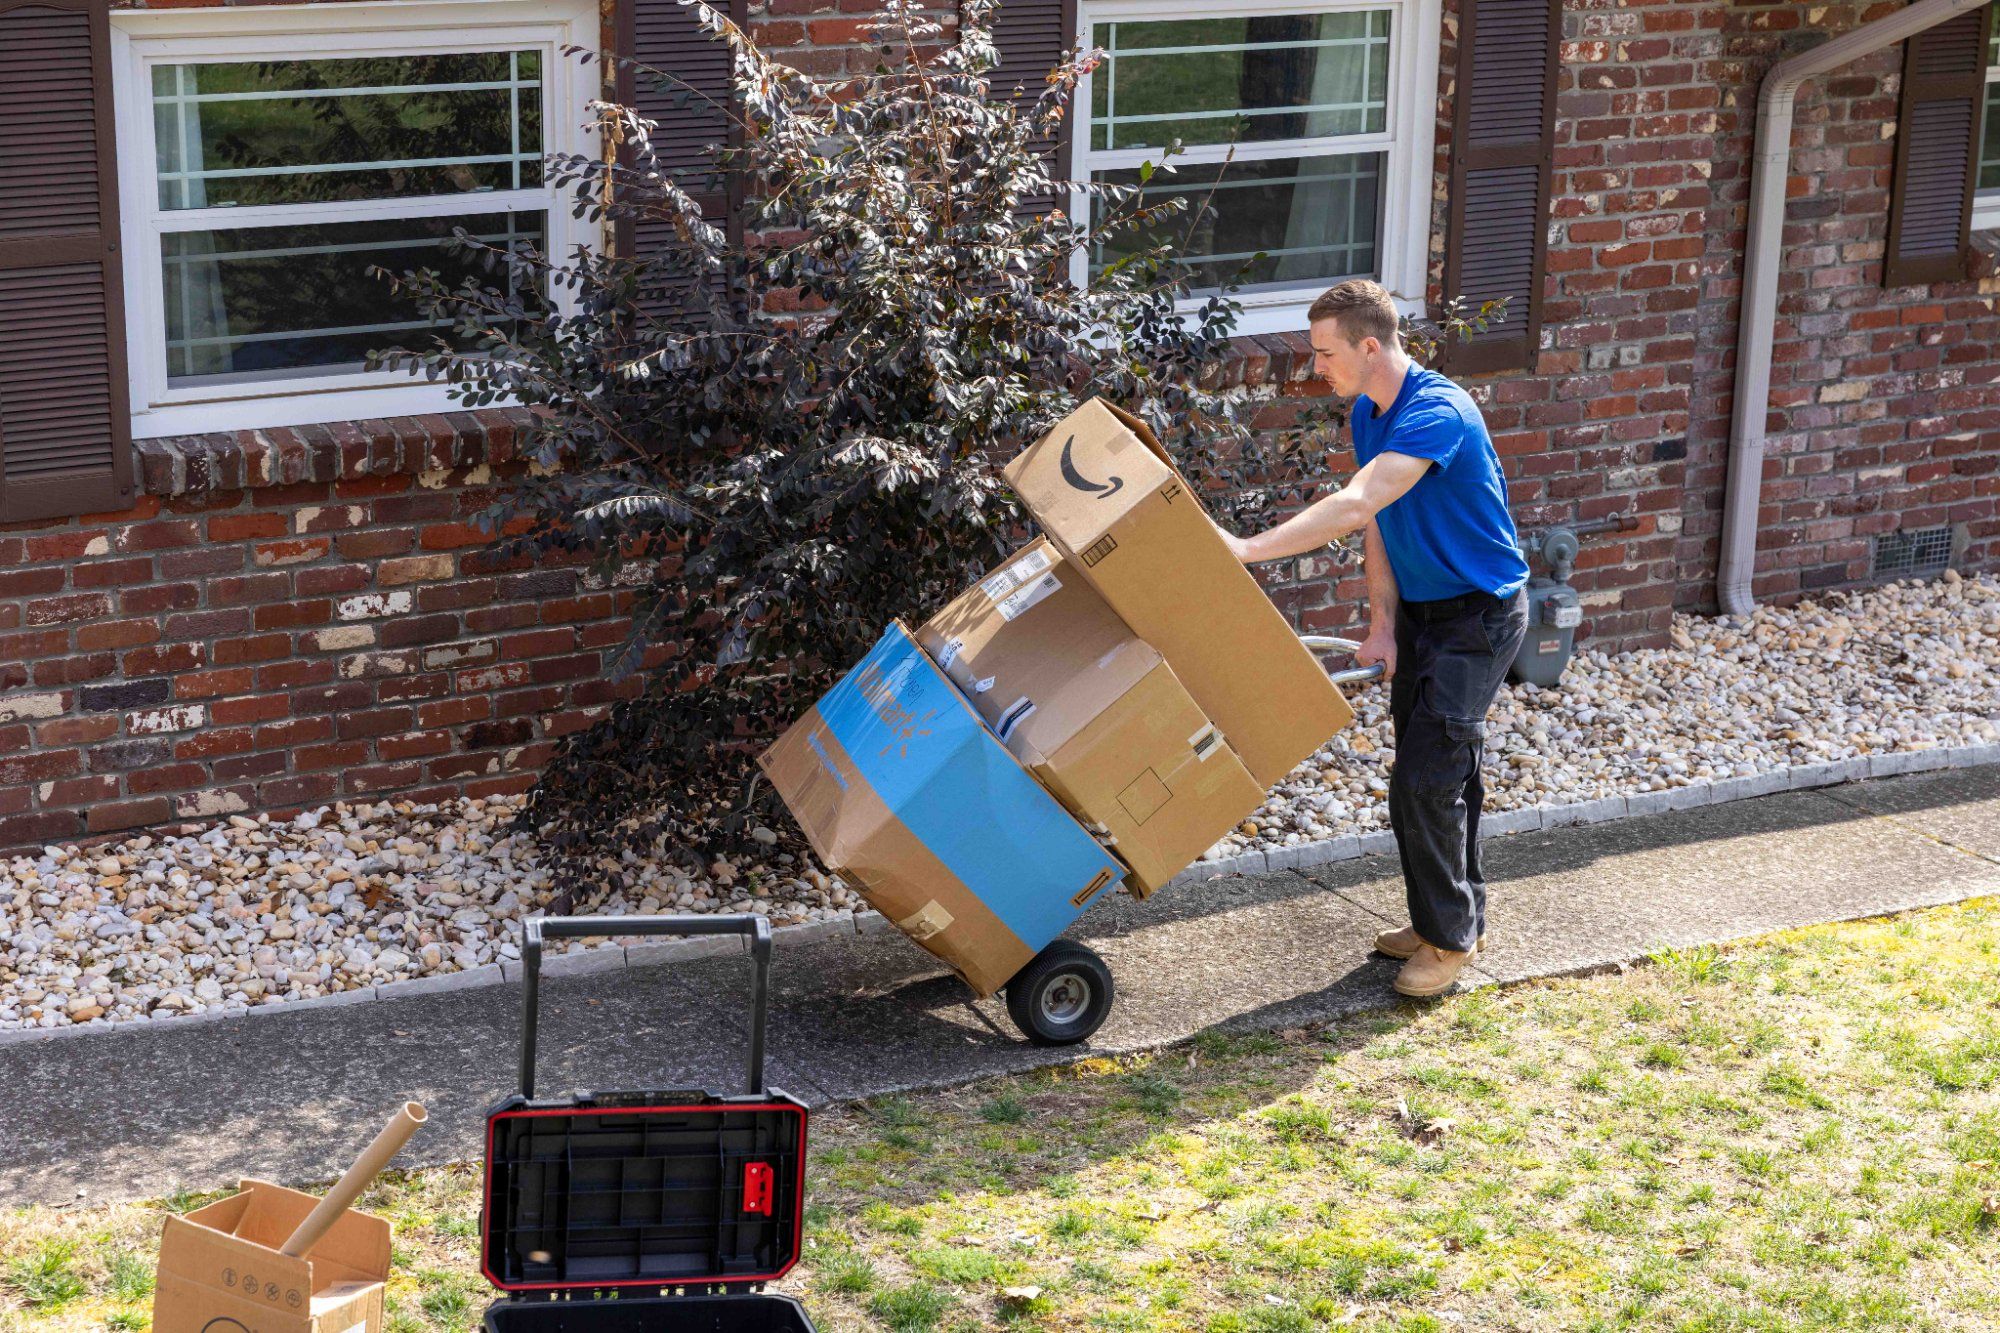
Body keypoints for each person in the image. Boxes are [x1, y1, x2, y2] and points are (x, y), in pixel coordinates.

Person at [1217, 279, 1530, 998]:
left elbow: (1357, 501)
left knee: (1429, 779)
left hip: (1479, 616)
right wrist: (1383, 624)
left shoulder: (1437, 412)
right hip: (1421, 615)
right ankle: (1442, 917)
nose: (1315, 367)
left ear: (1368, 346)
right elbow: (1380, 522)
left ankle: (1450, 940)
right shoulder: (1369, 411)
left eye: (1325, 353)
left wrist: (1247, 550)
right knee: (1431, 778)